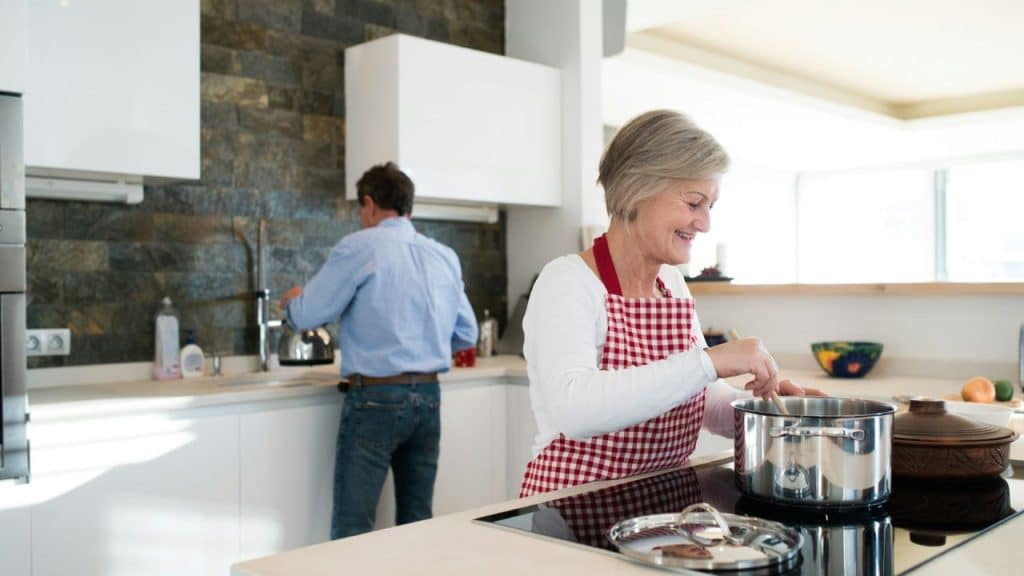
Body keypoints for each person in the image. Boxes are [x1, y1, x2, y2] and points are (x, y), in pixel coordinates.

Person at [519, 110, 821, 497]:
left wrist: (765, 412)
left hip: (659, 504)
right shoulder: (567, 281)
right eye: (694, 203)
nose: (705, 223)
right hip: (573, 507)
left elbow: (698, 402)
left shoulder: (672, 285)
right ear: (636, 190)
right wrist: (709, 361)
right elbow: (576, 410)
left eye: (710, 206)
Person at [281, 162, 479, 539]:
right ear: (408, 207)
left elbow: (308, 315)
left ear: (370, 204)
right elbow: (466, 334)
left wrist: (293, 303)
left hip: (375, 398)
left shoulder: (360, 246)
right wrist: (426, 338)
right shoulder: (443, 255)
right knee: (418, 522)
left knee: (353, 526)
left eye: (360, 209)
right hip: (428, 397)